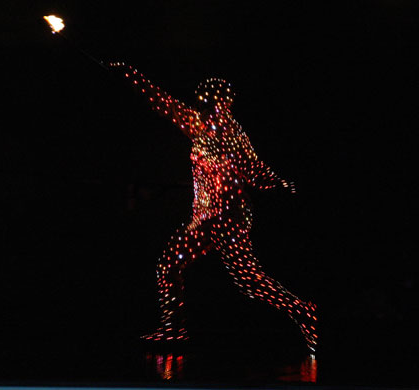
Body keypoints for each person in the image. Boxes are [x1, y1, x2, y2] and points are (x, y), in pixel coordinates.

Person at [109, 62, 318, 352]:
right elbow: (164, 103)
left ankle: (303, 311)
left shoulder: (223, 132)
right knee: (170, 265)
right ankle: (172, 330)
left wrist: (282, 184)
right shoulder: (210, 128)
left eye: (212, 102)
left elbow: (255, 170)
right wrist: (131, 75)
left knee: (248, 280)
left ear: (224, 103)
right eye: (205, 102)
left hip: (227, 219)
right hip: (206, 219)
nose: (207, 107)